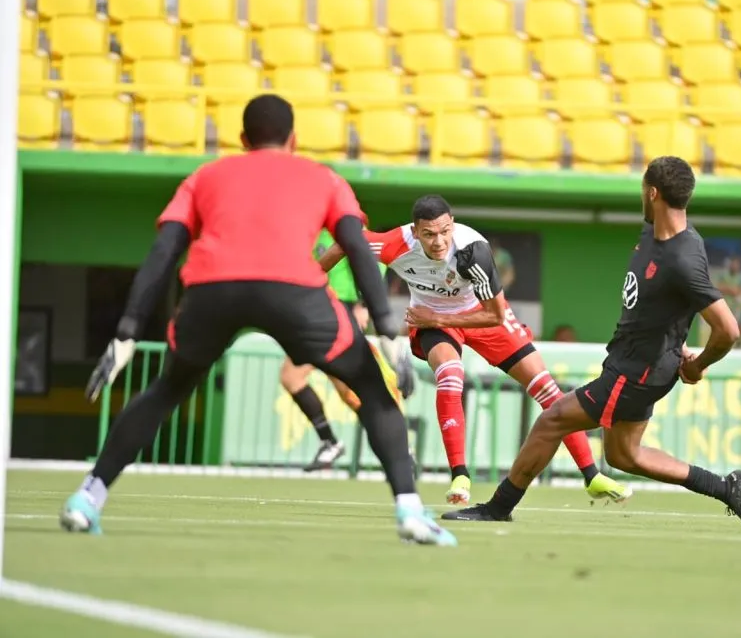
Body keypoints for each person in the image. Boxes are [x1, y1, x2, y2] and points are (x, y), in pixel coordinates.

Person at [61, 94, 456, 546]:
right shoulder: (324, 178)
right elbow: (355, 245)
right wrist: (386, 330)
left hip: (211, 290)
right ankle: (409, 510)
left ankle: (88, 498)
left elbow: (164, 252)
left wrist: (127, 332)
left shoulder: (204, 177)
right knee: (370, 386)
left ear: (243, 139)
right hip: (294, 289)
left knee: (166, 390)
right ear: (294, 139)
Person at [441, 156, 741, 530]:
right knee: (624, 455)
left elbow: (728, 329)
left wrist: (697, 363)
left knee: (552, 420)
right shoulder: (657, 236)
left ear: (652, 192)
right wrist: (675, 346)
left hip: (635, 374)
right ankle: (728, 488)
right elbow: (672, 307)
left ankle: (499, 506)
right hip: (639, 365)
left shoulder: (682, 256)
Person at [319, 195, 632, 506]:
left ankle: (591, 476)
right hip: (435, 322)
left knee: (546, 389)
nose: (439, 241)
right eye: (429, 234)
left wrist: (437, 316)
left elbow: (494, 315)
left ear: (452, 225)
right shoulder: (395, 244)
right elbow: (346, 242)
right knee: (451, 375)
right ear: (415, 233)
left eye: (444, 231)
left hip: (480, 316)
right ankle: (460, 474)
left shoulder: (473, 251)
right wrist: (309, 280)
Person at [280, 230, 409, 472]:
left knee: (352, 391)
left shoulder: (345, 227)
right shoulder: (313, 232)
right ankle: (334, 442)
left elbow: (369, 263)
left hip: (343, 314)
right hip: (319, 316)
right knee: (328, 386)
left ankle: (395, 446)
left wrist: (362, 304)